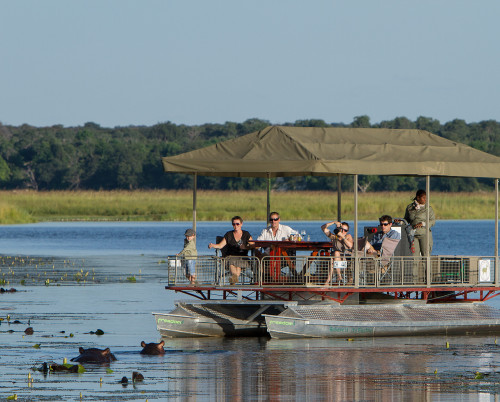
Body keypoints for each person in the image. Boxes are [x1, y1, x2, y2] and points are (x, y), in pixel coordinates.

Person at [208, 216, 253, 285]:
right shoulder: (229, 234)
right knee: (231, 263)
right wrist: (213, 245)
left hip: (242, 256)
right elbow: (220, 245)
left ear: (241, 224)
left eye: (237, 224)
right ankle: (234, 279)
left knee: (238, 266)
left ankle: (233, 280)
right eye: (233, 224)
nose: (235, 226)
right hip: (230, 256)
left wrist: (245, 247)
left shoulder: (246, 234)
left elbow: (253, 245)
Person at [404, 189, 435, 256]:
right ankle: (415, 266)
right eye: (423, 198)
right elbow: (406, 219)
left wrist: (423, 224)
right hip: (413, 234)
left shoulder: (428, 208)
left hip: (424, 234)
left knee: (426, 255)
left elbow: (432, 221)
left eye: (426, 198)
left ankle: (427, 266)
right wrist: (401, 222)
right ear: (418, 197)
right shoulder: (410, 207)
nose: (425, 199)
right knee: (414, 256)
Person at [321, 221, 354, 285]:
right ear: (339, 229)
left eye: (345, 230)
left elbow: (350, 245)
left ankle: (332, 280)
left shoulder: (348, 236)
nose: (343, 231)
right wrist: (333, 222)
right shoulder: (334, 237)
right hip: (336, 259)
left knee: (335, 255)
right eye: (341, 229)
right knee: (333, 258)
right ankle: (335, 279)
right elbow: (323, 228)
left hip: (345, 258)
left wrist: (343, 237)